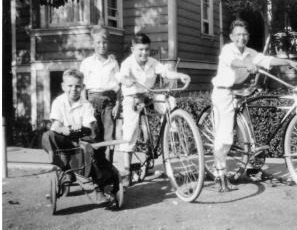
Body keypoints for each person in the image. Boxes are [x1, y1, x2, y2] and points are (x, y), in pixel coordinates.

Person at [211, 19, 297, 192]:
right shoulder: (227, 50)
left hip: (239, 94)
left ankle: (248, 162)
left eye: (245, 34)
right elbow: (232, 62)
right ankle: (219, 175)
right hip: (223, 94)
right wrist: (246, 64)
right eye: (238, 34)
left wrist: (287, 62)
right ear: (231, 36)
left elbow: (266, 59)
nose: (241, 38)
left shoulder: (250, 52)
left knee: (247, 139)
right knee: (225, 138)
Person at [119, 33, 190, 186]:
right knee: (130, 130)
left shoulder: (152, 62)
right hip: (133, 98)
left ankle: (171, 131)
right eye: (140, 50)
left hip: (148, 95)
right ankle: (126, 170)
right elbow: (123, 77)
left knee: (169, 100)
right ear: (133, 49)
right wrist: (128, 81)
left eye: (147, 50)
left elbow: (165, 71)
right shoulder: (127, 63)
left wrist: (180, 75)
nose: (144, 53)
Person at [41, 69, 119, 204]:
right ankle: (62, 166)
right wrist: (63, 129)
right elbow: (56, 124)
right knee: (48, 135)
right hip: (64, 139)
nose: (74, 89)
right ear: (63, 86)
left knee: (90, 148)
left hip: (81, 139)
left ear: (82, 87)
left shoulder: (86, 105)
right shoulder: (58, 102)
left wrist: (81, 128)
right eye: (70, 86)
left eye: (77, 86)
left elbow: (90, 128)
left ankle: (97, 186)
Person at [80, 25, 121, 162]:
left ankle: (108, 167)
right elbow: (82, 87)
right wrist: (85, 104)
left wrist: (118, 104)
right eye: (98, 42)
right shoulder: (87, 63)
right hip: (92, 101)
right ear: (93, 43)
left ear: (108, 43)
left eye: (104, 42)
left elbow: (118, 86)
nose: (102, 45)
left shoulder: (113, 63)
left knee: (109, 137)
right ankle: (95, 168)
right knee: (94, 135)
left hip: (109, 102)